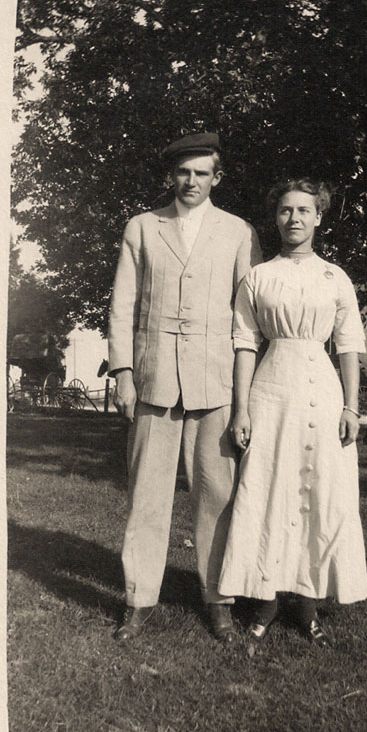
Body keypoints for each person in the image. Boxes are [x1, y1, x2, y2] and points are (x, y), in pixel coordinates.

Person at [108, 132, 262, 643]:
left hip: (214, 383)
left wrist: (244, 396)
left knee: (216, 495)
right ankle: (138, 599)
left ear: (217, 177)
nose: (191, 182)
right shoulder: (142, 228)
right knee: (147, 497)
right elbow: (123, 307)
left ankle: (218, 599)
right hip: (152, 381)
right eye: (183, 173)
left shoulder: (238, 232)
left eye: (202, 173)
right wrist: (124, 373)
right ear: (171, 177)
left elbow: (249, 320)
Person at [218, 178, 367, 646]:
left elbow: (347, 346)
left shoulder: (335, 277)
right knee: (268, 487)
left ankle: (308, 604)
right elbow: (244, 343)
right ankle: (263, 598)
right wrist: (241, 409)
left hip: (322, 392)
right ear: (276, 217)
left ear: (319, 217)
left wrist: (351, 406)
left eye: (304, 210)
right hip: (272, 391)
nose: (295, 219)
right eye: (286, 211)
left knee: (322, 489)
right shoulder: (258, 277)